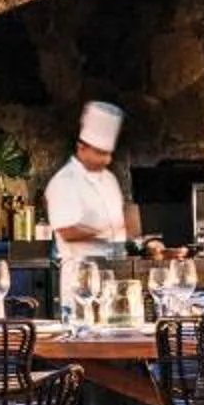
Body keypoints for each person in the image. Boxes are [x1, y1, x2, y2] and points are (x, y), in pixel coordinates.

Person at [44, 102, 134, 279]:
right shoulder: (63, 182)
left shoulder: (110, 180)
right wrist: (106, 230)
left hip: (114, 275)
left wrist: (139, 241)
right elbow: (66, 232)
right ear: (81, 147)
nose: (107, 160)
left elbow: (123, 230)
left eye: (108, 153)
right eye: (100, 153)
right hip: (80, 278)